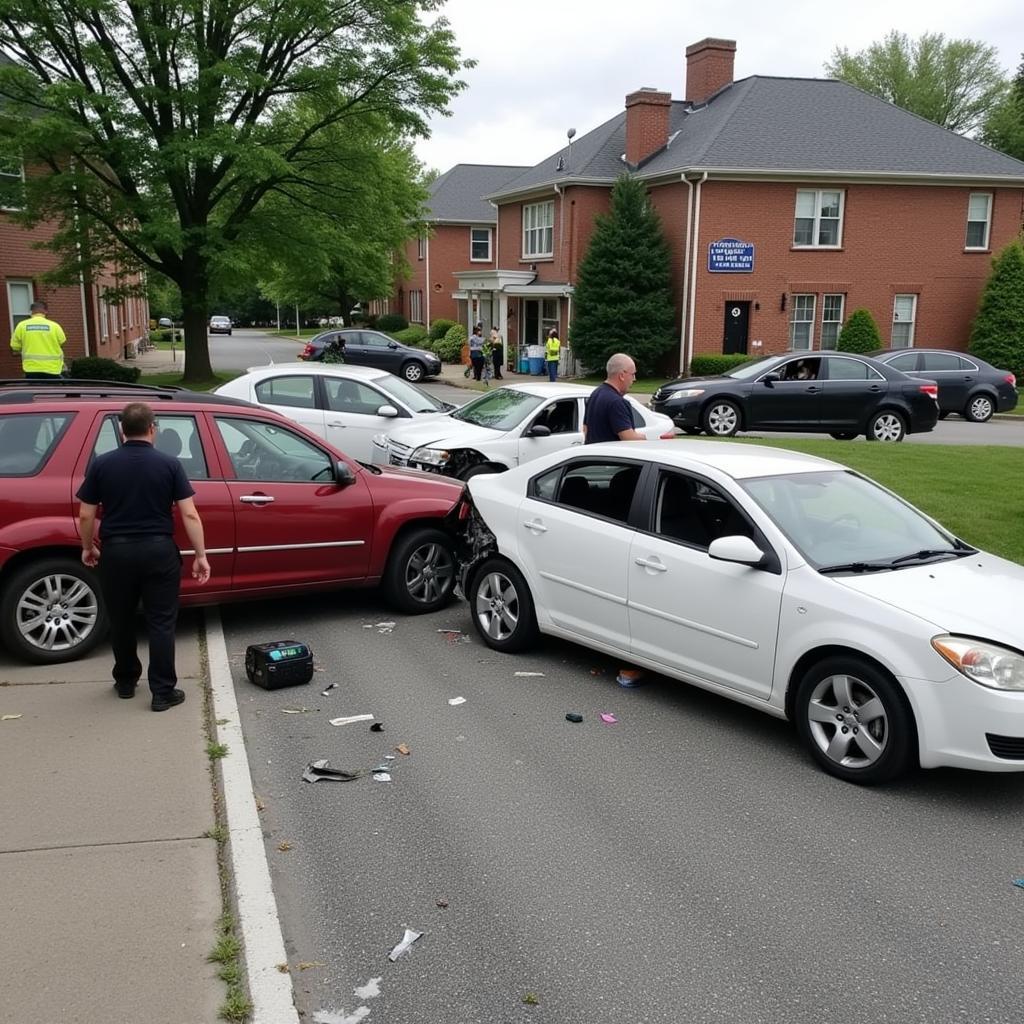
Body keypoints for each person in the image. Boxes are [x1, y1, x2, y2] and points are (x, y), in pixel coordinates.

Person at [76, 402, 211, 712]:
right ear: (154, 429)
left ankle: (125, 681)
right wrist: (200, 555)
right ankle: (163, 691)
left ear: (121, 431)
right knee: (161, 622)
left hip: (117, 552)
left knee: (121, 619)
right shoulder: (169, 464)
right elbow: (189, 514)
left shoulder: (102, 464)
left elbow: (86, 515)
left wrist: (88, 547)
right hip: (158, 551)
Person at [583, 353, 646, 443]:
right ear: (621, 376)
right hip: (611, 455)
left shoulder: (595, 395)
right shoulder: (617, 402)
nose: (634, 379)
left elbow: (585, 429)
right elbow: (629, 438)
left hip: (594, 454)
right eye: (633, 374)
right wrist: (645, 438)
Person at [9, 299, 66, 378]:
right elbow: (62, 343)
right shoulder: (55, 326)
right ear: (46, 311)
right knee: (52, 390)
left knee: (34, 389)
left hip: (31, 369)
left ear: (31, 311)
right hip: (53, 369)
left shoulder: (21, 326)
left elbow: (15, 347)